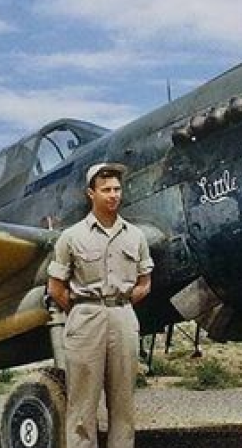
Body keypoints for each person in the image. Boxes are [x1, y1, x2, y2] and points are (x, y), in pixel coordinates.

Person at [47, 162, 153, 448]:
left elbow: (145, 283)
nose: (113, 195)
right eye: (106, 190)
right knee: (82, 404)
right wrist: (83, 309)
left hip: (123, 316)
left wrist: (121, 303)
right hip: (85, 317)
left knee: (124, 403)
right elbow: (55, 288)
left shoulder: (136, 236)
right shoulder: (71, 237)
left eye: (117, 189)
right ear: (90, 194)